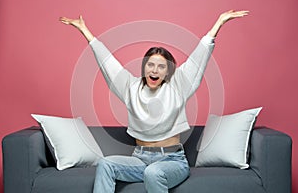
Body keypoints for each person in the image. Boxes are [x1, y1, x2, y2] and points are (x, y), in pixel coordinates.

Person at [60, 10, 249, 193]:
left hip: (172, 160)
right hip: (140, 159)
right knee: (105, 165)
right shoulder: (130, 88)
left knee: (153, 172)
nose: (155, 70)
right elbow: (108, 63)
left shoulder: (178, 86)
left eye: (161, 67)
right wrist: (86, 32)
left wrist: (218, 24)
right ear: (144, 67)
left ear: (168, 71)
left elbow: (198, 59)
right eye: (150, 64)